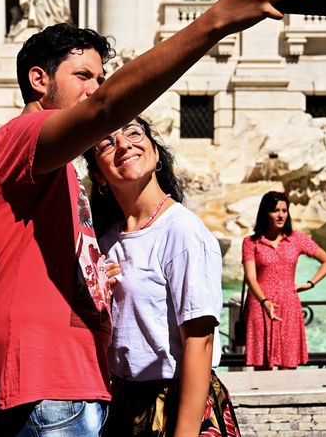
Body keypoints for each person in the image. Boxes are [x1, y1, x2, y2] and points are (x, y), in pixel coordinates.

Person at [0, 0, 306, 435]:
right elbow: (108, 108)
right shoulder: (23, 136)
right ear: (40, 80)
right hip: (47, 385)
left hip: (68, 385)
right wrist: (218, 21)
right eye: (84, 76)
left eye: (101, 78)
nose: (97, 89)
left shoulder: (58, 171)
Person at [85, 118, 238, 437]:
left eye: (133, 133)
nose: (123, 144)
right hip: (124, 407)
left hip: (177, 405)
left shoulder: (181, 231)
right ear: (98, 175)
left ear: (155, 154)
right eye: (107, 143)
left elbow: (201, 342)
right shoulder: (105, 242)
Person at [241, 191, 326, 370]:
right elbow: (251, 277)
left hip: (289, 306)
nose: (281, 215)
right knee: (262, 369)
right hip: (260, 306)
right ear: (265, 213)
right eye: (276, 210)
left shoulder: (296, 238)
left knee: (289, 367)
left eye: (284, 210)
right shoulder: (250, 242)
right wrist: (265, 301)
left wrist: (310, 284)